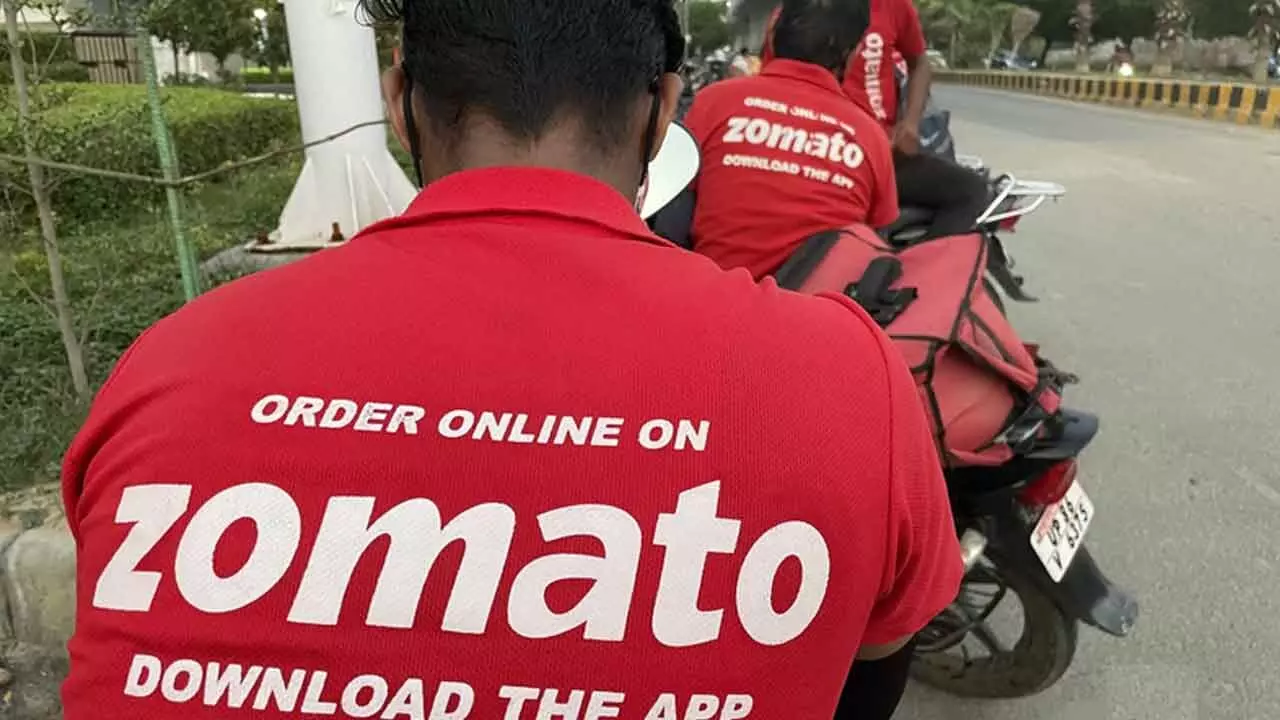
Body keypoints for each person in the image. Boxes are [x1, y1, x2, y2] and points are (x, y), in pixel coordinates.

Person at [60, 0, 961, 718]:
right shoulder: (849, 386)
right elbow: (869, 675)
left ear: (399, 101)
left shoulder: (174, 371)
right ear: (662, 110)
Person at [684, 0, 899, 279]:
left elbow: (675, 205)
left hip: (709, 297)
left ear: (772, 34)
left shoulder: (713, 102)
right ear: (853, 52)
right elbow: (875, 237)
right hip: (814, 303)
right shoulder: (870, 136)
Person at [763, 0, 990, 239]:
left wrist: (910, 124)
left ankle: (926, 262)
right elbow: (772, 87)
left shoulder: (893, 6)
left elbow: (919, 62)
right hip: (814, 154)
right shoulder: (792, 17)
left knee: (970, 190)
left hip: (881, 156)